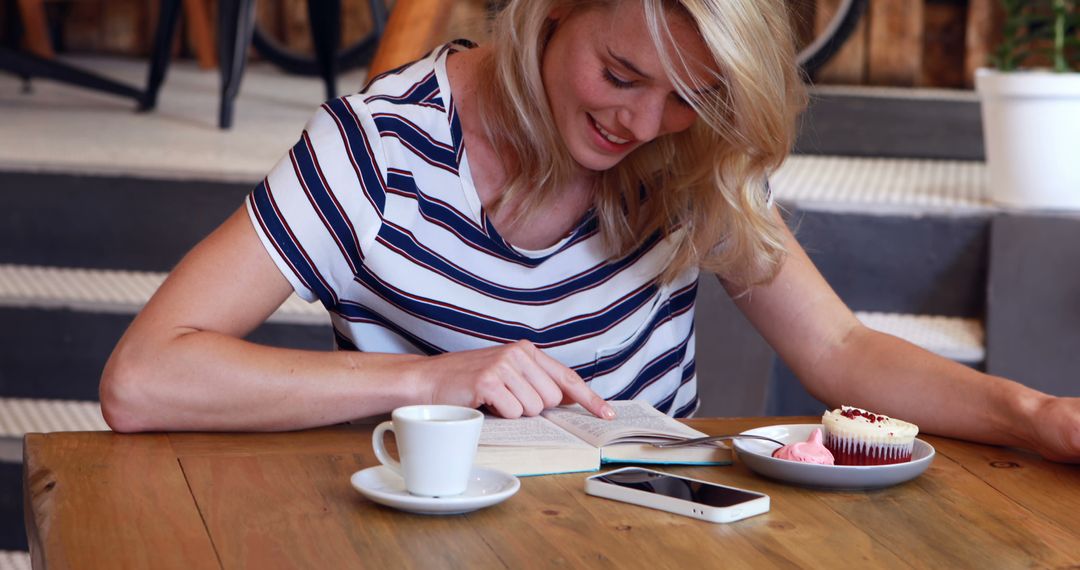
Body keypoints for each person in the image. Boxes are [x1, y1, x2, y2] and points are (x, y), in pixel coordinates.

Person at [100, 0, 1079, 463]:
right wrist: (431, 378)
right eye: (619, 76)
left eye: (689, 97)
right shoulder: (380, 150)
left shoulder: (686, 159)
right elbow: (145, 379)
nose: (643, 126)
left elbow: (839, 347)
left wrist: (1035, 417)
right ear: (547, 16)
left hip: (655, 535)